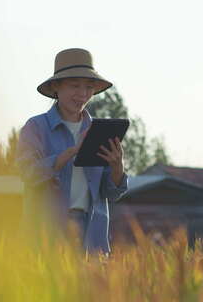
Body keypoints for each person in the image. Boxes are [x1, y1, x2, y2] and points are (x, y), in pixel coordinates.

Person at [16, 48, 129, 254]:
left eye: (89, 87)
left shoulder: (98, 131)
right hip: (47, 233)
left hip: (91, 233)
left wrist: (117, 167)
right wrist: (72, 151)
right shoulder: (36, 128)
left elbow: (112, 193)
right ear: (56, 87)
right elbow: (28, 173)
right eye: (75, 86)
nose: (83, 94)